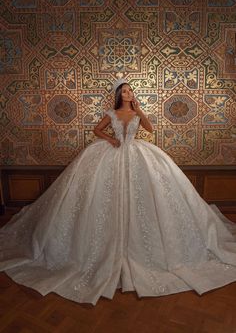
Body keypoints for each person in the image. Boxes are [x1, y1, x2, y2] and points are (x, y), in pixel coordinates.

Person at [0, 78, 236, 306]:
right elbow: (96, 130)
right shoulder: (111, 114)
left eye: (130, 91)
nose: (128, 93)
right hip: (112, 155)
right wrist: (110, 140)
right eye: (124, 91)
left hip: (136, 153)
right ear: (118, 95)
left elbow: (150, 128)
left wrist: (140, 110)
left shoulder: (135, 113)